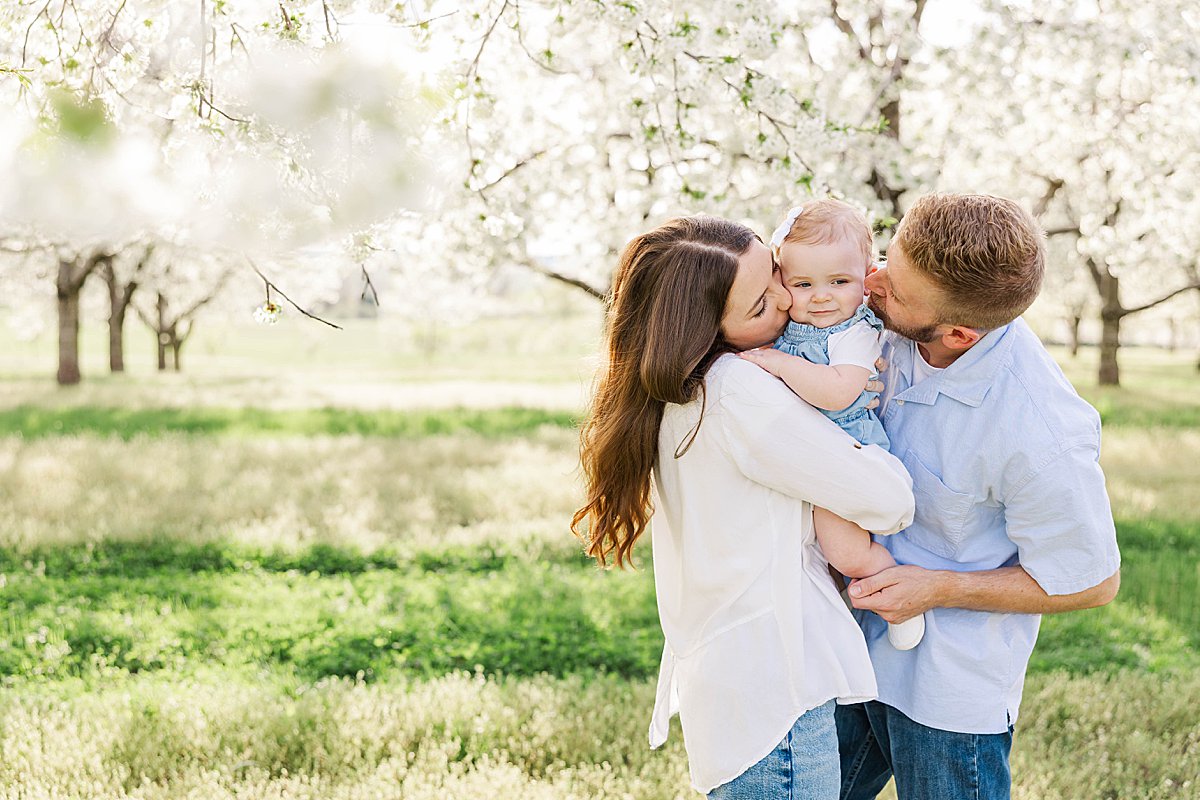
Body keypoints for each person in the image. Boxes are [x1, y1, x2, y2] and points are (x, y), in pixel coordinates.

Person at [571, 214, 915, 797]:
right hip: (774, 691)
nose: (788, 300)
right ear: (707, 332)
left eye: (776, 276)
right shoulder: (739, 390)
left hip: (736, 679)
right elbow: (888, 501)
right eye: (761, 305)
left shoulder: (681, 387)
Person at [835, 193, 1122, 800]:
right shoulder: (882, 324)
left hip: (947, 692)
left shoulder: (1040, 433)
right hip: (845, 649)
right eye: (888, 257)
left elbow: (1092, 581)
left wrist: (938, 588)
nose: (871, 280)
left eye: (898, 289)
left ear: (959, 334)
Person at [739, 199, 926, 651]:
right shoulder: (791, 324)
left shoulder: (853, 332)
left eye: (839, 281)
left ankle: (889, 587)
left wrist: (779, 364)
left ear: (867, 276)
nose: (821, 296)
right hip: (806, 451)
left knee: (844, 552)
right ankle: (839, 613)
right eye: (803, 283)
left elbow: (839, 391)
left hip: (846, 450)